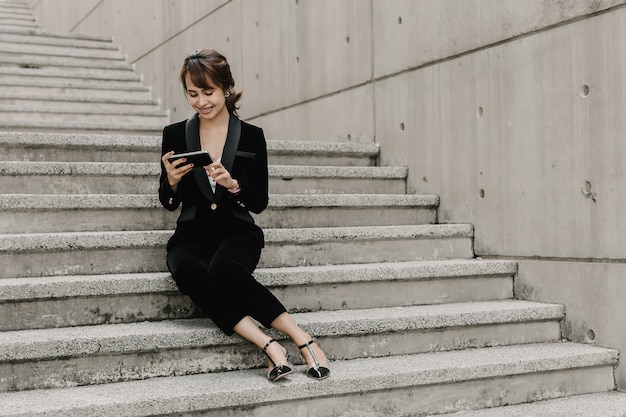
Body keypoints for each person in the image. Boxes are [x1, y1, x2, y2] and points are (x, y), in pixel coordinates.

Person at [158, 49, 330, 382]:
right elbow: (167, 201)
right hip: (191, 234)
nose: (200, 101)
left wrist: (234, 185)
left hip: (237, 230)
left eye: (207, 92)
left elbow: (259, 201)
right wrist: (173, 182)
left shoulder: (252, 136)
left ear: (225, 87)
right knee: (185, 268)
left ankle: (303, 339)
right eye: (192, 94)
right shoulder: (175, 134)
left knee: (224, 271)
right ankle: (269, 346)